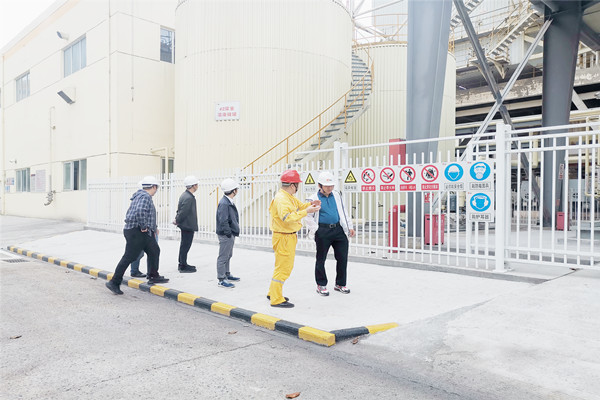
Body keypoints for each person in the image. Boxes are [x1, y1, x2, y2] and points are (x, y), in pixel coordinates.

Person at [106, 175, 168, 295]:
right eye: (156, 187)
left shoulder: (139, 195)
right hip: (137, 231)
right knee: (129, 257)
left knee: (154, 250)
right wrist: (144, 226)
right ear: (154, 187)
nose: (156, 190)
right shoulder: (145, 196)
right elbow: (140, 211)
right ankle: (114, 282)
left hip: (139, 231)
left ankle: (153, 275)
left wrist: (152, 228)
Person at [268, 169, 321, 308]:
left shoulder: (288, 196)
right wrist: (306, 211)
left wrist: (310, 204)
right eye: (297, 184)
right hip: (284, 237)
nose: (298, 187)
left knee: (281, 266)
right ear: (292, 185)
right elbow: (287, 218)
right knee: (284, 268)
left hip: (287, 237)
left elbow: (300, 206)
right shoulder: (282, 199)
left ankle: (273, 293)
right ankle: (276, 299)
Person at [305, 171, 355, 296]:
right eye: (327, 186)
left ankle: (340, 284)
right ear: (319, 185)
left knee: (342, 257)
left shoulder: (336, 195)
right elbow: (308, 216)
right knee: (321, 259)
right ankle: (321, 284)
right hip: (323, 231)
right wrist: (316, 229)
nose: (330, 188)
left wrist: (349, 226)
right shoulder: (312, 198)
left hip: (338, 229)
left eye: (331, 185)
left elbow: (343, 211)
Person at [215, 178, 241, 288]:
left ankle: (227, 274)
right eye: (236, 189)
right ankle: (221, 279)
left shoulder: (228, 201)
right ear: (233, 191)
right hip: (226, 234)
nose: (237, 191)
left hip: (229, 233)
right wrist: (228, 233)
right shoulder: (224, 203)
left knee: (228, 255)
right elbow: (223, 220)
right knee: (223, 257)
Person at [174, 176, 199, 273]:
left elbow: (180, 210)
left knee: (184, 245)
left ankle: (182, 263)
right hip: (187, 225)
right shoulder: (189, 197)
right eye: (196, 184)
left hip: (185, 225)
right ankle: (182, 266)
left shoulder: (185, 195)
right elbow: (183, 212)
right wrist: (177, 220)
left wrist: (177, 219)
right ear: (193, 186)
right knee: (185, 245)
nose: (197, 186)